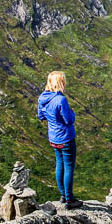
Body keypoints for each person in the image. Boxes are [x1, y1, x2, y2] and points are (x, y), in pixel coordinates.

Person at [37, 71, 82, 208]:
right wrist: (72, 113)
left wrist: (53, 118)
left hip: (53, 138)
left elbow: (41, 116)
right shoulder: (60, 100)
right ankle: (69, 200)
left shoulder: (42, 98)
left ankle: (63, 195)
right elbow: (69, 120)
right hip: (65, 137)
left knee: (59, 164)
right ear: (60, 83)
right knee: (68, 167)